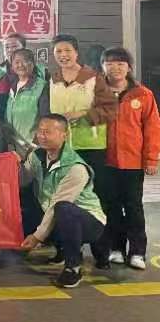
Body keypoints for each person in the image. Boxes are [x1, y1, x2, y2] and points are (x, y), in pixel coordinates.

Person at [20, 114, 108, 288]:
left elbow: (57, 204)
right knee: (26, 198)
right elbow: (21, 181)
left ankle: (73, 267)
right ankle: (61, 247)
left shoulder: (76, 168)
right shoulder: (36, 156)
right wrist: (14, 164)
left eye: (48, 132)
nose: (42, 136)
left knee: (64, 209)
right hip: (56, 215)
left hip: (89, 221)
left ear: (64, 135)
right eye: (40, 131)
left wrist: (37, 237)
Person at [100, 47, 160, 270]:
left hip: (133, 162)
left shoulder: (143, 94)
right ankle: (116, 248)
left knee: (133, 206)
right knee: (111, 206)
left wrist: (151, 159)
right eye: (109, 63)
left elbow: (152, 129)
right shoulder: (96, 93)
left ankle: (137, 251)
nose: (115, 68)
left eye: (120, 63)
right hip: (105, 161)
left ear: (129, 67)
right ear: (103, 66)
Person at [49, 34, 117, 201]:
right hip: (62, 146)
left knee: (94, 193)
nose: (63, 55)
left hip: (90, 146)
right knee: (66, 193)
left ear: (76, 52)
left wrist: (83, 114)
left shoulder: (93, 78)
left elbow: (111, 109)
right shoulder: (53, 79)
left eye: (67, 50)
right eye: (58, 51)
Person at [4, 48, 49, 148]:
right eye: (17, 62)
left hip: (33, 145)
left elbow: (45, 117)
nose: (20, 65)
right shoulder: (11, 86)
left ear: (33, 64)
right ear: (12, 66)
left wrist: (36, 142)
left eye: (25, 61)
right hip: (14, 143)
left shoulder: (41, 86)